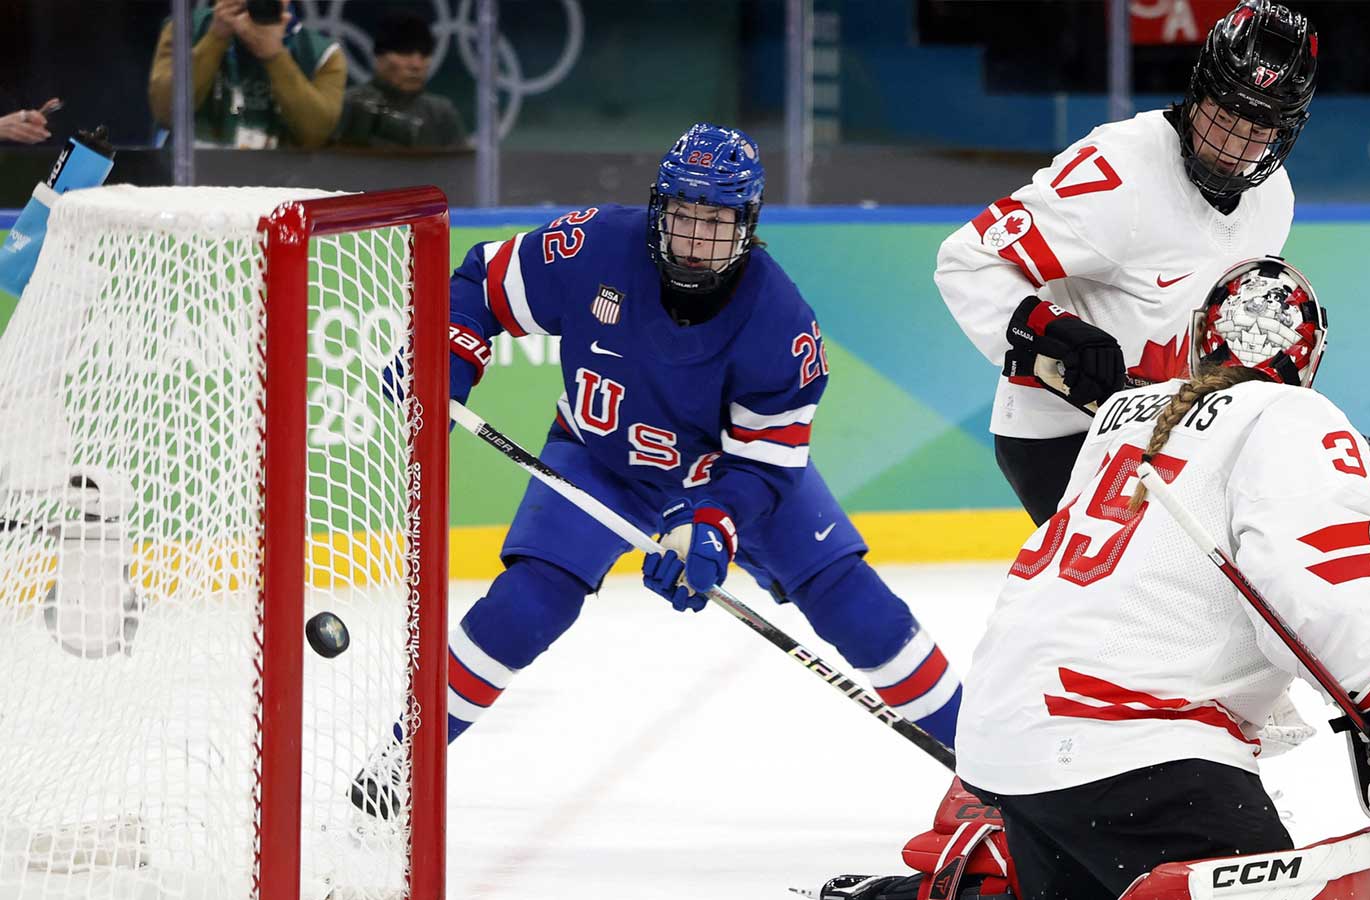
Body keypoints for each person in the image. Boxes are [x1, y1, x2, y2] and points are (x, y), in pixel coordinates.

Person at [351, 123, 963, 818]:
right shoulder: (591, 247)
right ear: (657, 209)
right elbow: (479, 286)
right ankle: (404, 757)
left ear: (748, 224)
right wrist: (448, 356)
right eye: (684, 215)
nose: (696, 239)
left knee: (857, 608)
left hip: (724, 475)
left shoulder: (781, 323)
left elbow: (766, 464)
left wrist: (713, 529)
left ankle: (992, 772)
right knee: (526, 605)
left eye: (717, 221)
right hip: (600, 458)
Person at [818, 259, 1370, 900]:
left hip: (1003, 746)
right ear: (1311, 358)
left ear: (1199, 337)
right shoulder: (1297, 417)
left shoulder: (1121, 417)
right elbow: (1315, 587)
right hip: (1135, 747)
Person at [934, 0, 1316, 526]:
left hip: (1163, 426)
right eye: (1226, 114)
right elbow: (967, 261)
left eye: (1259, 127)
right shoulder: (1118, 174)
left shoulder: (1274, 197)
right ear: (1198, 89)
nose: (1233, 145)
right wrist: (1055, 332)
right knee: (1140, 593)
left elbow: (1217, 320)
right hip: (1061, 432)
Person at [148, 0, 346, 149]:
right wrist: (215, 38)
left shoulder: (323, 54)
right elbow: (165, 111)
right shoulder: (185, 30)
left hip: (278, 187)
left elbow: (316, 132)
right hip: (193, 185)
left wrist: (275, 56)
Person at [335, 12, 466, 149]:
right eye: (405, 53)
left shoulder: (441, 114)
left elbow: (459, 168)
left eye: (424, 54)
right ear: (379, 58)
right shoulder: (346, 105)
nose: (416, 65)